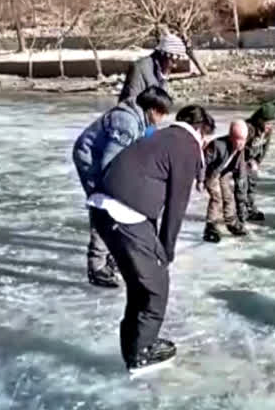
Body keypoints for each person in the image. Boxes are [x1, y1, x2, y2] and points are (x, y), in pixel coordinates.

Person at [88, 105, 215, 375]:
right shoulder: (188, 146)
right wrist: (166, 251)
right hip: (124, 212)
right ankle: (142, 352)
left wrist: (157, 246)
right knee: (156, 286)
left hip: (103, 208)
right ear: (202, 132)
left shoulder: (161, 136)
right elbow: (176, 205)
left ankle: (134, 345)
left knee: (140, 283)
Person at [72, 86, 173, 288]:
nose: (162, 119)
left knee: (116, 206)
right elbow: (110, 161)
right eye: (162, 114)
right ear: (153, 110)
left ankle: (112, 256)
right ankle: (97, 267)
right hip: (91, 162)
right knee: (104, 208)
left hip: (104, 160)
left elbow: (147, 143)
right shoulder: (125, 122)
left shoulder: (143, 120)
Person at [202, 120, 249, 242]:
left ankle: (231, 223)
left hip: (223, 173)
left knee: (228, 196)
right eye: (238, 139)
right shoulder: (217, 145)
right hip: (211, 174)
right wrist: (199, 179)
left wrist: (242, 194)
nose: (241, 143)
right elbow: (202, 163)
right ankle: (211, 226)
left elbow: (241, 171)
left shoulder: (241, 148)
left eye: (243, 139)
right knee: (217, 198)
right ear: (231, 136)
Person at [118, 33, 187, 102]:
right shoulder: (140, 68)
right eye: (173, 61)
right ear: (163, 55)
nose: (175, 66)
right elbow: (130, 101)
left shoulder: (162, 73)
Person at [243, 103, 275, 221]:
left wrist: (257, 161)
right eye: (267, 123)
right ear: (259, 120)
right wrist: (246, 162)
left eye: (271, 123)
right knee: (241, 186)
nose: (269, 126)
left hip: (252, 161)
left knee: (251, 185)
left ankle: (250, 209)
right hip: (240, 160)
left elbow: (264, 148)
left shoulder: (267, 131)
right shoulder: (248, 129)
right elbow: (239, 148)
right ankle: (241, 211)